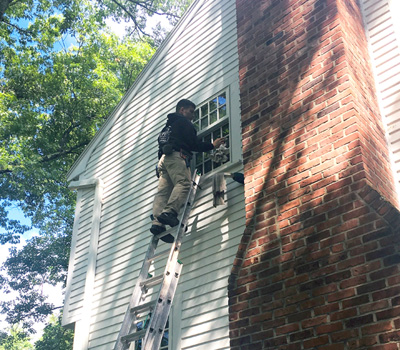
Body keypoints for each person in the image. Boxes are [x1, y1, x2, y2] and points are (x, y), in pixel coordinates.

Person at [151, 99, 225, 243]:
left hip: (164, 160)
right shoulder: (183, 123)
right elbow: (194, 144)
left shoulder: (167, 127)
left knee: (163, 192)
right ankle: (169, 212)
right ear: (182, 110)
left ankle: (157, 223)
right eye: (191, 112)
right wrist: (212, 145)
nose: (193, 116)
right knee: (184, 183)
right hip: (177, 156)